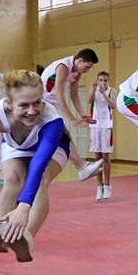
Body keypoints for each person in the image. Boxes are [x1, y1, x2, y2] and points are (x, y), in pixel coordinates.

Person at [0, 69, 69, 263]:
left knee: (40, 179)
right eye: (24, 105)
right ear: (9, 103)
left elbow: (39, 162)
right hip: (16, 145)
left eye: (37, 102)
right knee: (12, 181)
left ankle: (25, 236)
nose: (32, 110)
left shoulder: (52, 120)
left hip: (53, 146)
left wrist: (24, 207)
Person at [39, 49, 104, 181]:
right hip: (40, 102)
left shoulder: (76, 72)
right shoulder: (63, 67)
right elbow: (59, 95)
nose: (87, 70)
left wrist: (82, 114)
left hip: (50, 104)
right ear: (79, 60)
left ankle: (82, 167)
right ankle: (82, 167)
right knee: (62, 134)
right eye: (87, 67)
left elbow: (74, 94)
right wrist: (72, 119)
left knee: (65, 135)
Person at [87, 70, 116, 201]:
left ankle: (107, 184)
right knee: (97, 156)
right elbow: (88, 101)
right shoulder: (93, 89)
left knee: (106, 156)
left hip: (106, 126)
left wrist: (104, 93)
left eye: (105, 80)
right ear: (97, 80)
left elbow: (113, 106)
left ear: (108, 81)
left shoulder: (111, 90)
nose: (103, 82)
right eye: (101, 80)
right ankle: (99, 186)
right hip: (95, 125)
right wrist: (94, 89)